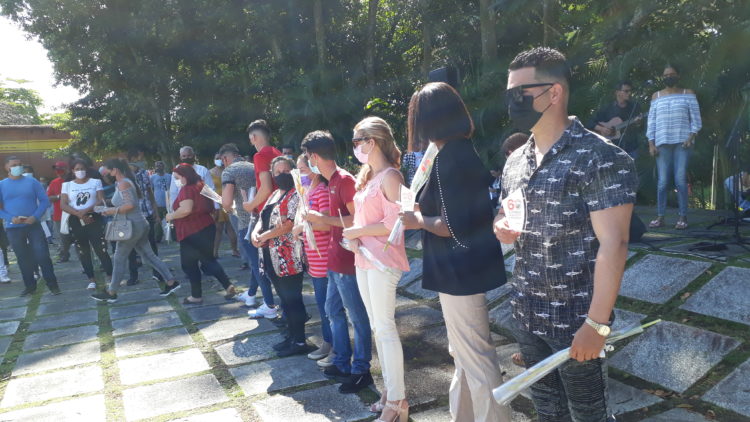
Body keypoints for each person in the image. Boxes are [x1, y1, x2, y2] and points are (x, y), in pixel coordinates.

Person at [495, 47, 637, 422]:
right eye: (510, 93)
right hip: (527, 313)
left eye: (521, 92)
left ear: (554, 92)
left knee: (589, 415)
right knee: (547, 411)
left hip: (576, 319)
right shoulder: (515, 161)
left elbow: (615, 244)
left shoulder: (600, 157)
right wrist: (501, 227)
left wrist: (596, 324)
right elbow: (506, 215)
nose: (512, 102)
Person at [398, 82, 509, 422]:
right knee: (464, 352)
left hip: (458, 269)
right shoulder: (460, 151)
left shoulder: (448, 157)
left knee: (474, 356)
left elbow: (449, 225)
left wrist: (416, 219)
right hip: (464, 267)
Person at [342, 117, 410, 421]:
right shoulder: (369, 176)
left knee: (384, 328)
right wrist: (355, 236)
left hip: (383, 260)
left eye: (358, 141)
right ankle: (389, 392)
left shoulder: (391, 176)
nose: (355, 147)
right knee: (377, 328)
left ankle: (397, 401)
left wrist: (358, 232)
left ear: (372, 142)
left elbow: (396, 223)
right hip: (363, 258)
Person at [302, 130, 373, 394]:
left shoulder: (344, 180)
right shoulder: (330, 180)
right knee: (332, 311)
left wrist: (323, 219)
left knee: (357, 316)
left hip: (347, 260)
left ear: (314, 156)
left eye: (307, 157)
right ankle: (342, 361)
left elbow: (358, 220)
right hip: (334, 259)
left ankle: (361, 370)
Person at [91, 158, 180, 303]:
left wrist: (111, 211)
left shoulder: (123, 183)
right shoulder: (123, 182)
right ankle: (171, 282)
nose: (106, 172)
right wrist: (107, 207)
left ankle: (111, 292)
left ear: (115, 170)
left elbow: (130, 205)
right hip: (137, 224)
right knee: (149, 256)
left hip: (131, 226)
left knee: (119, 258)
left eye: (108, 169)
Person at [251, 156, 310, 357]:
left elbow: (289, 224)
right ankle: (291, 336)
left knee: (293, 300)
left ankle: (300, 341)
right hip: (271, 256)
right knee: (284, 300)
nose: (281, 175)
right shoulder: (275, 194)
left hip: (288, 257)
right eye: (277, 172)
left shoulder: (296, 194)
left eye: (286, 171)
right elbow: (262, 218)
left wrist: (264, 236)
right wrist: (255, 233)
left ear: (293, 172)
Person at [166, 164, 237, 304]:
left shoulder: (187, 189)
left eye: (177, 177)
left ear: (185, 176)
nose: (176, 181)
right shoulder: (202, 185)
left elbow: (186, 210)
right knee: (208, 260)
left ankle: (196, 295)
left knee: (189, 265)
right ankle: (228, 285)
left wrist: (171, 216)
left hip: (190, 231)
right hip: (207, 226)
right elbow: (218, 199)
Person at [218, 143, 275, 311]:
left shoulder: (229, 171)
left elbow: (227, 202)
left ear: (225, 158)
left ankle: (269, 304)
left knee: (257, 265)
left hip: (246, 223)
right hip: (265, 220)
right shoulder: (253, 166)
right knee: (257, 261)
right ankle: (250, 294)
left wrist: (225, 206)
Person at [647, 64, 702, 230]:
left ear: (678, 75)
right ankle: (660, 216)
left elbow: (696, 119)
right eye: (665, 75)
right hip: (662, 143)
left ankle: (683, 216)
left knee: (680, 179)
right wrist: (651, 143)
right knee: (663, 182)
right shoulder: (656, 96)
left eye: (671, 74)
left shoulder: (688, 93)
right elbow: (651, 122)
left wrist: (691, 137)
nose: (668, 77)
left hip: (682, 143)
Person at [292, 154, 334, 366]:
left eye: (303, 169)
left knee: (329, 307)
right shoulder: (308, 191)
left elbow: (326, 223)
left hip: (324, 257)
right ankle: (328, 343)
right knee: (322, 304)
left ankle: (333, 346)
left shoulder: (322, 190)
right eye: (298, 169)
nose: (300, 173)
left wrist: (302, 226)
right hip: (315, 259)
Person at [0, 156, 61, 296]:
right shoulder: (2, 185)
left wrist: (35, 216)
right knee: (22, 258)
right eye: (14, 165)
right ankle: (30, 286)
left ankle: (53, 285)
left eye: (19, 164)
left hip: (33, 225)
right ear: (6, 167)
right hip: (13, 227)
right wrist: (10, 218)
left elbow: (45, 201)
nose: (17, 167)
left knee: (42, 255)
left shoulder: (32, 182)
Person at [244, 119, 282, 319]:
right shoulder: (277, 153)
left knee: (264, 263)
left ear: (253, 137)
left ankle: (270, 304)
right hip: (282, 210)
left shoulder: (260, 156)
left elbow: (265, 188)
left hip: (268, 213)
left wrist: (251, 204)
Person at [60, 160, 113, 290]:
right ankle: (91, 279)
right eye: (77, 169)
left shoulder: (95, 182)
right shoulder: (67, 185)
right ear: (72, 171)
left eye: (82, 168)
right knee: (83, 250)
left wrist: (86, 211)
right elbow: (63, 204)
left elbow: (101, 200)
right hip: (76, 219)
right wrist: (79, 214)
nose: (80, 171)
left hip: (94, 218)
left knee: (101, 249)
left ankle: (110, 276)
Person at [126, 149, 162, 285]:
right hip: (131, 216)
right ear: (132, 159)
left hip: (147, 214)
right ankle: (133, 275)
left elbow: (149, 192)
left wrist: (155, 211)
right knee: (130, 247)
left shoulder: (144, 173)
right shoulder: (124, 175)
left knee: (151, 244)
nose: (142, 161)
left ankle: (157, 272)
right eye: (139, 158)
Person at [589, 81, 644, 159]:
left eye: (630, 91)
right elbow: (590, 123)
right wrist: (602, 129)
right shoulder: (607, 108)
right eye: (626, 91)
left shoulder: (635, 106)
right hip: (612, 148)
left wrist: (639, 123)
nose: (629, 93)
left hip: (631, 148)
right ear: (617, 92)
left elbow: (641, 129)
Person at [210, 153, 239, 258]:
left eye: (220, 158)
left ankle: (234, 250)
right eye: (216, 158)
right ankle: (214, 252)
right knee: (218, 229)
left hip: (229, 200)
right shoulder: (210, 173)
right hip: (216, 202)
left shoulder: (228, 171)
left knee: (231, 227)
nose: (219, 160)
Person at [47, 161, 74, 262]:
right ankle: (64, 255)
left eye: (60, 169)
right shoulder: (54, 182)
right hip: (59, 215)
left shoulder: (74, 181)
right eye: (56, 169)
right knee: (62, 237)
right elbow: (48, 198)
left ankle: (83, 256)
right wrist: (59, 196)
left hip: (75, 213)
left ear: (67, 169)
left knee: (77, 236)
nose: (58, 171)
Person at [150, 161, 171, 242]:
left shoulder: (169, 176)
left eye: (160, 165)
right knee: (157, 222)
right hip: (157, 203)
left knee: (172, 221)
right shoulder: (152, 177)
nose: (158, 167)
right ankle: (158, 238)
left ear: (163, 166)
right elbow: (150, 190)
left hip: (169, 203)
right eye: (157, 166)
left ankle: (175, 236)